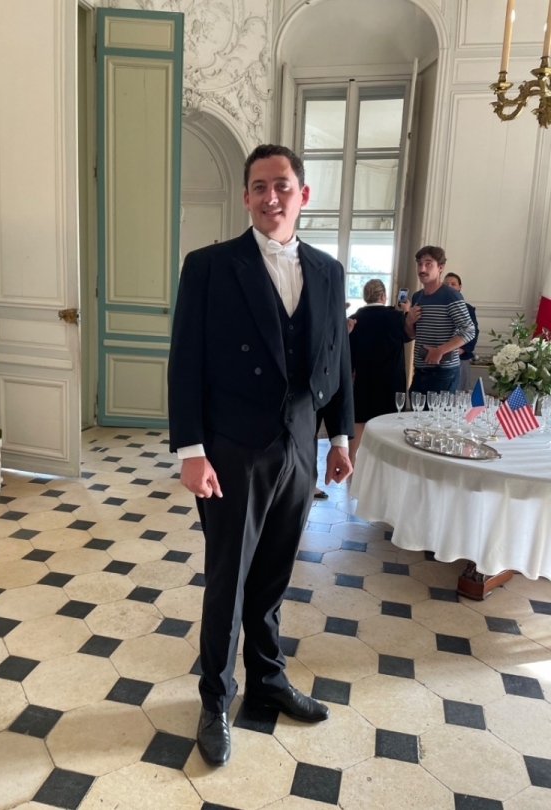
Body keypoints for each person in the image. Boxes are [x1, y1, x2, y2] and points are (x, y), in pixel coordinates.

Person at [167, 144, 354, 767]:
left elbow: (337, 358)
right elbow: (185, 363)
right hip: (232, 448)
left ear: (303, 194)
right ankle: (215, 699)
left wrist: (339, 437)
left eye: (281, 185)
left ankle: (268, 679)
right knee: (229, 579)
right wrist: (191, 450)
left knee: (273, 576)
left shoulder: (328, 270)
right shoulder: (209, 266)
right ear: (246, 197)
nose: (270, 197)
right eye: (258, 187)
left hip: (299, 445)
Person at [348, 278, 411, 466]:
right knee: (390, 419)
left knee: (359, 419)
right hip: (391, 378)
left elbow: (350, 350)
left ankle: (351, 459)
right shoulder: (396, 317)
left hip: (364, 377)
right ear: (383, 296)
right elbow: (408, 336)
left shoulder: (355, 318)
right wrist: (407, 312)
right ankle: (386, 462)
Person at [406, 246, 475, 395]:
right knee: (415, 409)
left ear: (441, 267)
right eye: (419, 264)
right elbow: (412, 335)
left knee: (437, 411)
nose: (422, 269)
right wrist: (409, 321)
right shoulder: (417, 297)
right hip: (420, 370)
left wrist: (440, 350)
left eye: (428, 264)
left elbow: (469, 330)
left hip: (444, 372)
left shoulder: (451, 296)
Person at [443, 272, 479, 391]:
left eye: (453, 284)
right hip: (438, 358)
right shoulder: (436, 305)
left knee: (459, 394)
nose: (449, 287)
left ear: (460, 287)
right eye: (446, 284)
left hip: (459, 357)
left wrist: (461, 350)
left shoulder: (467, 308)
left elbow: (473, 332)